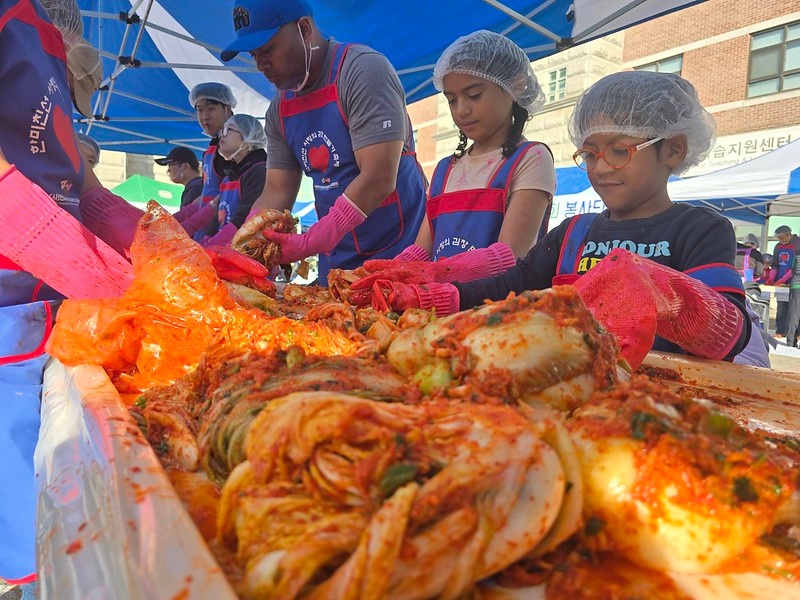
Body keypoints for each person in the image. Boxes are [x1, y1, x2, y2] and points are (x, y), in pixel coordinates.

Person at [358, 71, 763, 368]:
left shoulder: (698, 229)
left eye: (619, 150)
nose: (601, 167)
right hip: (566, 385)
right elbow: (510, 286)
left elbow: (730, 334)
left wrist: (666, 293)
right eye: (589, 153)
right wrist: (440, 296)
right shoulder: (573, 234)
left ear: (673, 150)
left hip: (662, 396)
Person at [220, 0, 426, 285]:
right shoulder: (280, 109)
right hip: (336, 265)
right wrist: (241, 251)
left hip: (399, 258)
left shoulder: (362, 72)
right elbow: (275, 193)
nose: (260, 64)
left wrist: (309, 242)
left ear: (304, 28)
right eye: (254, 54)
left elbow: (378, 179)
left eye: (267, 49)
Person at [358, 30, 554, 286]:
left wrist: (432, 274)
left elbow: (509, 256)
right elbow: (422, 250)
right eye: (452, 100)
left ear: (515, 86)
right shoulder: (445, 169)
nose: (462, 110)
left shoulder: (531, 159)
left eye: (474, 95)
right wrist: (390, 270)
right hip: (439, 309)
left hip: (501, 314)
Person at [175, 114, 268, 246]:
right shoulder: (228, 177)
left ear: (249, 140)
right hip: (223, 252)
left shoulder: (259, 172)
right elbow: (216, 221)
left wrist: (211, 247)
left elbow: (244, 220)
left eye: (229, 130)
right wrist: (203, 244)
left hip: (245, 255)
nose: (222, 135)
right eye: (222, 130)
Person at [771, 225, 800, 340]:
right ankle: (781, 330)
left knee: (796, 308)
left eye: (782, 238)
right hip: (780, 282)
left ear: (789, 234)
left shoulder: (798, 243)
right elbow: (775, 264)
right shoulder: (778, 246)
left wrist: (784, 278)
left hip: (795, 281)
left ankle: (797, 334)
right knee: (782, 307)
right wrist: (772, 277)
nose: (781, 241)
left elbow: (795, 266)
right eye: (778, 238)